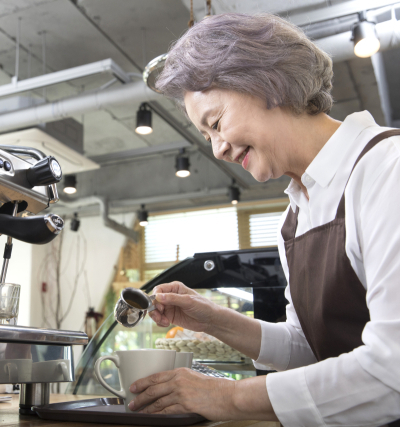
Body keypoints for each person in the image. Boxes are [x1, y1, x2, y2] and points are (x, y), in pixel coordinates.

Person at [128, 13, 400, 427]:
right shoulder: (294, 217)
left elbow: (392, 370)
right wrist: (213, 318)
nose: (217, 150)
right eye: (207, 137)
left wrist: (229, 397)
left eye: (215, 123)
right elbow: (307, 349)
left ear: (265, 82)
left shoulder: (387, 169)